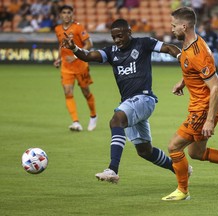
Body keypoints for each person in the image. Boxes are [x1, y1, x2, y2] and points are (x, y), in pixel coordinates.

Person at [62, 18, 192, 183]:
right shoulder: (111, 52)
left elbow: (167, 47)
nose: (117, 40)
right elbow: (88, 56)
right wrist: (74, 47)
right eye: (114, 37)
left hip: (144, 99)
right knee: (145, 151)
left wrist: (181, 56)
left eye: (120, 36)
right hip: (131, 103)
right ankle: (181, 169)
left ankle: (112, 169)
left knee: (116, 121)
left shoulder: (143, 43)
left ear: (129, 33)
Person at [161, 7, 218, 201]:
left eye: (174, 26)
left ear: (184, 26)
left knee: (174, 147)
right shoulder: (191, 43)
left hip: (202, 110)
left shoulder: (198, 52)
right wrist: (184, 81)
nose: (171, 29)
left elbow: (216, 88)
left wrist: (209, 120)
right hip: (201, 107)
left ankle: (183, 191)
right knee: (196, 153)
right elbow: (194, 71)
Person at [53, 5, 97, 131]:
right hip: (66, 67)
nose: (66, 15)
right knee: (68, 92)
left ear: (72, 14)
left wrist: (76, 56)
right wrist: (58, 59)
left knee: (86, 92)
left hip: (81, 65)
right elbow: (61, 45)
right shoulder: (57, 29)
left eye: (69, 12)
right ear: (60, 15)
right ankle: (76, 122)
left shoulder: (78, 27)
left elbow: (89, 44)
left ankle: (93, 116)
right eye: (64, 13)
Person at [199, 20, 218, 85]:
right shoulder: (202, 34)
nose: (207, 27)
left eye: (208, 26)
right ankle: (207, 80)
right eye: (206, 26)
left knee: (214, 66)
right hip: (205, 54)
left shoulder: (214, 34)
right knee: (204, 67)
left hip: (214, 52)